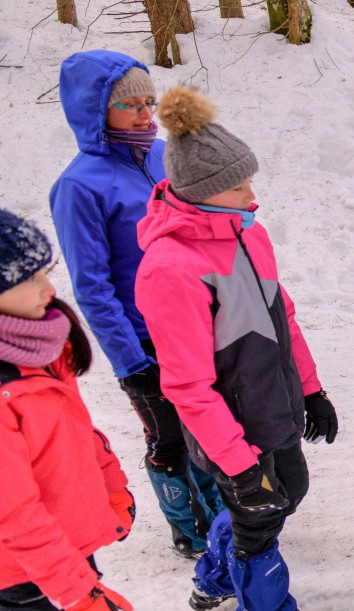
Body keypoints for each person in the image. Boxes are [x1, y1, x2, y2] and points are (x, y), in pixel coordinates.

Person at [134, 86, 342, 611]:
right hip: (231, 432)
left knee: (288, 494)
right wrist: (240, 467)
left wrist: (313, 390)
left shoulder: (249, 233)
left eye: (250, 178)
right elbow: (187, 386)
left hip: (277, 409)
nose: (254, 193)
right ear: (202, 193)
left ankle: (216, 575)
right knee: (260, 521)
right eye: (238, 184)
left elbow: (284, 317)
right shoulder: (170, 267)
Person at [49, 50, 225, 560]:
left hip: (194, 319)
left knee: (211, 425)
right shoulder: (79, 186)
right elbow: (93, 286)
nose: (146, 115)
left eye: (150, 102)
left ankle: (224, 520)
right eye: (130, 106)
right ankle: (192, 532)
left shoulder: (162, 155)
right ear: (95, 109)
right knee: (169, 436)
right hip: (145, 338)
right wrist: (131, 362)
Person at [0, 208, 134, 611]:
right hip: (19, 568)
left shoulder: (38, 344)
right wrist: (76, 593)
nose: (50, 288)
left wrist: (111, 484)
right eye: (30, 278)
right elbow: (11, 510)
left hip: (61, 548)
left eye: (46, 272)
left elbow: (76, 430)